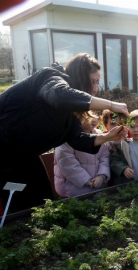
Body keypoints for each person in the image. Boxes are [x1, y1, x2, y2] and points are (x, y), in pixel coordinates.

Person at [0, 53, 129, 213]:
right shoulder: (51, 78)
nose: (95, 89)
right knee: (17, 208)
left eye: (98, 83)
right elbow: (58, 96)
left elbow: (78, 139)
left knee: (40, 201)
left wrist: (107, 137)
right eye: (94, 82)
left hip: (22, 155)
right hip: (5, 152)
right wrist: (111, 104)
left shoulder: (70, 113)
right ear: (81, 77)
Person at [54, 111, 110, 197]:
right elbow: (67, 164)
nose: (94, 119)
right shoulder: (67, 138)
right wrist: (86, 180)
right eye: (89, 115)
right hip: (73, 188)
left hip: (97, 184)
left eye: (96, 115)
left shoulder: (99, 135)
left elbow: (104, 157)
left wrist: (102, 176)